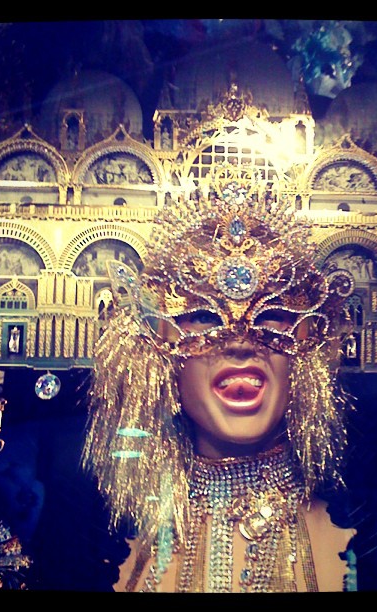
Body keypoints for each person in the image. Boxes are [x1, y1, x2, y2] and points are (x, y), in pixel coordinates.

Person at [81, 176, 357, 593]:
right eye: (205, 317)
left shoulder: (349, 532)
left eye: (271, 316)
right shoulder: (118, 536)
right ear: (159, 352)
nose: (240, 342)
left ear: (305, 347)